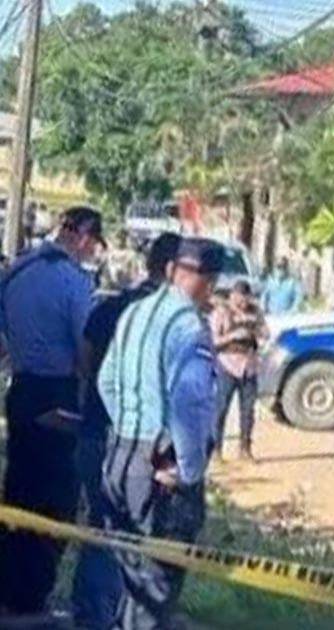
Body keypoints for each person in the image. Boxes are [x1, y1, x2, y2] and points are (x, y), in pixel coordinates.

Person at [97, 237, 221, 629]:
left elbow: (105, 381)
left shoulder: (134, 313)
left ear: (170, 270)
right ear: (210, 283)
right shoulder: (189, 327)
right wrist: (187, 470)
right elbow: (189, 401)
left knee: (131, 583)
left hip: (119, 461)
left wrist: (129, 429)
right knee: (155, 590)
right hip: (160, 474)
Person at [71, 232, 182, 630]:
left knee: (100, 529)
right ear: (173, 269)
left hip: (94, 431)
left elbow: (85, 362)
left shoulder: (111, 308)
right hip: (139, 444)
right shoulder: (169, 320)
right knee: (136, 542)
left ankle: (90, 616)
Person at [0, 206, 105, 619]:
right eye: (93, 243)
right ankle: (32, 599)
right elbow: (85, 350)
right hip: (58, 395)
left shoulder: (17, 270)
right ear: (82, 236)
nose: (92, 251)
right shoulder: (73, 281)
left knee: (17, 493)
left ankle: (8, 589)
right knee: (55, 502)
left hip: (21, 390)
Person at [209, 280, 267, 461]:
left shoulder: (255, 312)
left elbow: (265, 332)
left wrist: (259, 333)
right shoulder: (222, 313)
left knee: (248, 411)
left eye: (246, 298)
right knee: (220, 409)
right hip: (227, 364)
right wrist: (233, 336)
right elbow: (213, 341)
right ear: (232, 296)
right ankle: (216, 450)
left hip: (249, 366)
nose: (243, 302)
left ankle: (245, 449)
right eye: (239, 298)